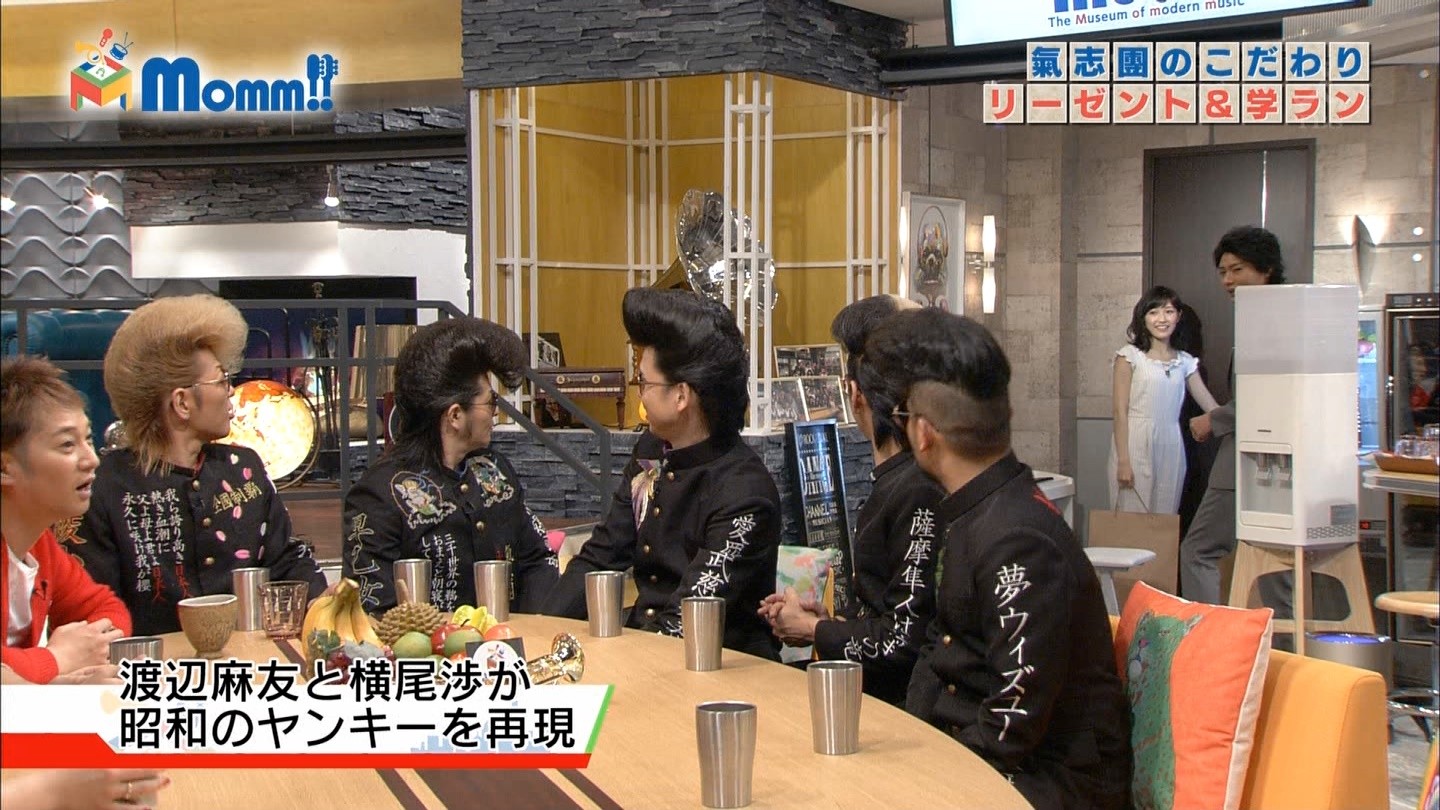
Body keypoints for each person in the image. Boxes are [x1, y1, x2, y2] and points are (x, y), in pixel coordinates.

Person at [866, 308, 1131, 809]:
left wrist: (918, 782)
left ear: (922, 433)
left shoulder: (1018, 539)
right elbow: (941, 653)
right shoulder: (978, 508)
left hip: (1050, 782)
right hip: (977, 752)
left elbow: (1015, 718)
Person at [65, 295, 327, 635]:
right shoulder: (104, 488)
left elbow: (285, 561)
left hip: (251, 658)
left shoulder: (243, 467)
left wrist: (324, 603)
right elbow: (91, 609)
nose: (231, 392)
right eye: (221, 380)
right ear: (182, 402)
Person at [543, 288, 781, 659]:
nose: (640, 395)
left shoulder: (745, 493)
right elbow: (601, 556)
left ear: (681, 396)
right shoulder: (651, 451)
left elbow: (690, 617)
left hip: (718, 667)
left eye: (644, 383)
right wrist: (541, 631)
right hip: (648, 646)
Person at [759, 294, 943, 705]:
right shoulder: (902, 482)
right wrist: (830, 624)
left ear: (854, 393)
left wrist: (815, 631)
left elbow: (903, 642)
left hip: (901, 714)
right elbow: (886, 617)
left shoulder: (919, 490)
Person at [343, 317, 558, 614]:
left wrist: (532, 627)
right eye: (490, 402)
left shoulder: (494, 470)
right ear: (455, 415)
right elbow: (372, 608)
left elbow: (538, 559)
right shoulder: (380, 494)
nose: (495, 414)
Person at [1, 357, 131, 684]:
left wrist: (68, 667)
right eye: (67, 445)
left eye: (88, 439)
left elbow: (106, 610)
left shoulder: (38, 543)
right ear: (4, 467)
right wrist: (57, 659)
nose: (92, 459)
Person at [1180, 226, 1288, 605]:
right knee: (1274, 562)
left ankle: (1208, 634)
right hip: (1268, 461)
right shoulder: (1262, 316)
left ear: (1267, 269)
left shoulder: (1274, 320)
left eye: (1237, 269)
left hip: (1249, 458)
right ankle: (1282, 638)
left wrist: (1214, 420)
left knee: (1199, 550)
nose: (1227, 280)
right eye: (1223, 272)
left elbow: (1270, 396)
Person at [1109, 286, 1219, 515]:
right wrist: (1123, 461)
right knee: (1132, 516)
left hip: (1171, 443)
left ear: (1178, 316)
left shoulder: (1185, 361)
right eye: (1154, 312)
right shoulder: (1130, 356)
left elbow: (1212, 407)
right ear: (1143, 317)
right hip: (1135, 441)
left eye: (1168, 311)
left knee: (1164, 516)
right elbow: (1120, 412)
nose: (1162, 319)